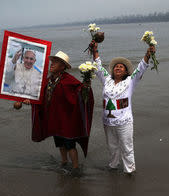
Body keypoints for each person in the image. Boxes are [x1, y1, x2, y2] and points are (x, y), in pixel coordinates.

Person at [19, 51, 94, 175]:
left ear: (63, 66)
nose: (52, 64)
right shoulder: (49, 80)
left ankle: (76, 169)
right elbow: (39, 96)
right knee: (59, 143)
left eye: (56, 62)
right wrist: (29, 100)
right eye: (52, 61)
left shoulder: (69, 80)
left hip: (67, 119)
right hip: (55, 118)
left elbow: (81, 92)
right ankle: (64, 163)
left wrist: (86, 86)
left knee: (70, 144)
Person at [89, 40, 155, 174]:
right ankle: (113, 166)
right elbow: (98, 67)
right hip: (108, 122)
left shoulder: (130, 81)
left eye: (121, 67)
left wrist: (148, 54)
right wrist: (95, 50)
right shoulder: (107, 80)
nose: (118, 68)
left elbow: (141, 67)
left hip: (124, 122)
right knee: (112, 147)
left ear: (126, 72)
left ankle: (129, 171)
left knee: (126, 147)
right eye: (116, 67)